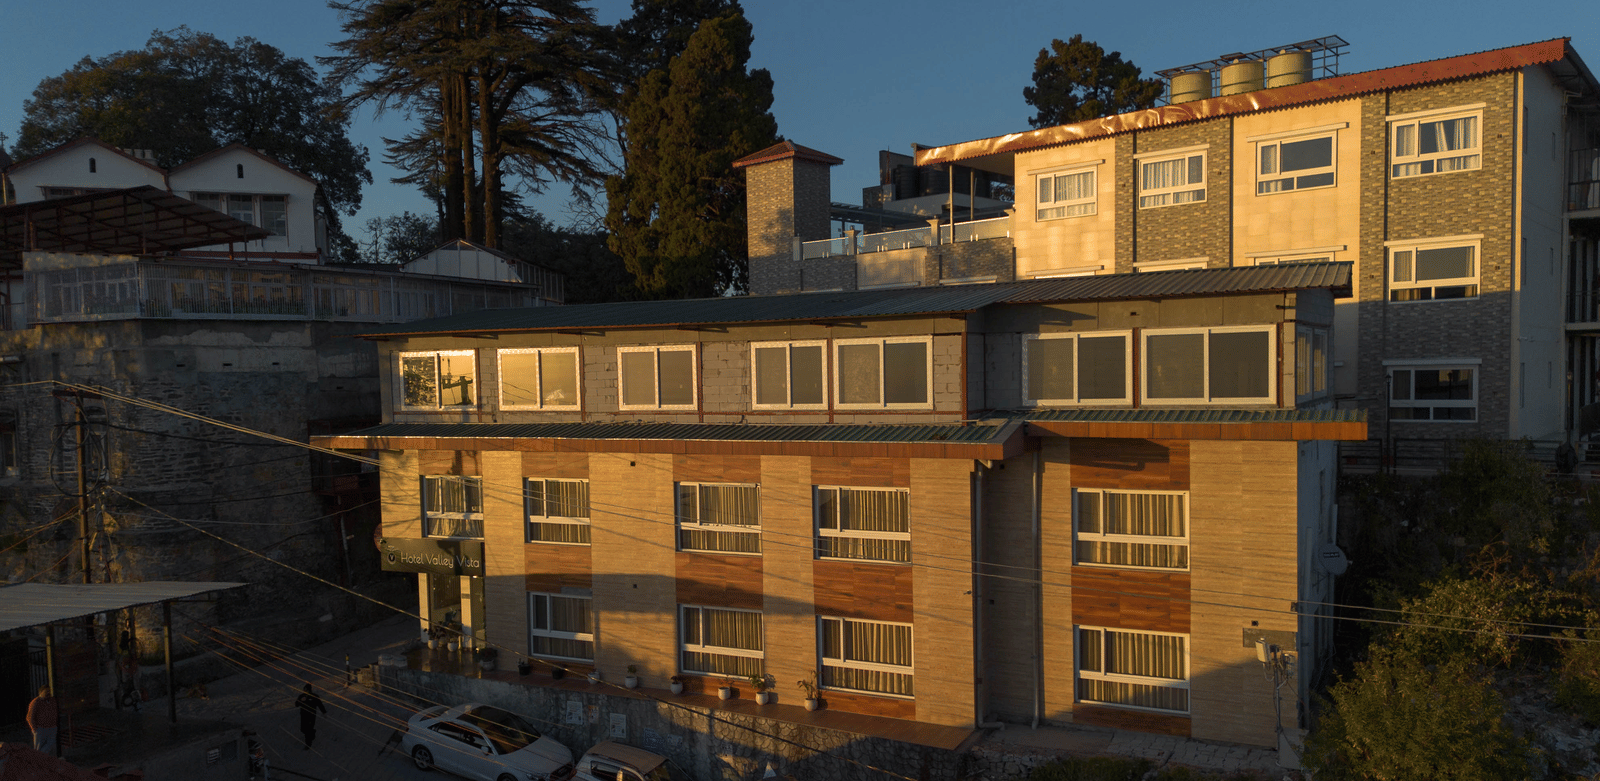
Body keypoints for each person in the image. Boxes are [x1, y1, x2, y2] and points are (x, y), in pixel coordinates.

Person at [295, 683, 327, 750]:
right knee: (303, 729)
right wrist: (300, 701)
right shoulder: (302, 696)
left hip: (311, 716)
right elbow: (296, 704)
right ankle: (312, 733)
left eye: (307, 690)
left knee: (308, 730)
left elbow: (320, 704)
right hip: (303, 716)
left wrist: (324, 712)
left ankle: (308, 744)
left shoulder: (314, 697)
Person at [27, 686, 57, 755]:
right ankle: (39, 761)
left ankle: (42, 759)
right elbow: (29, 717)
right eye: (46, 692)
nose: (48, 693)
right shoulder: (36, 702)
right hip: (41, 728)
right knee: (39, 747)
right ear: (41, 692)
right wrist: (34, 729)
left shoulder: (52, 700)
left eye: (49, 691)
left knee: (50, 745)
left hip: (51, 727)